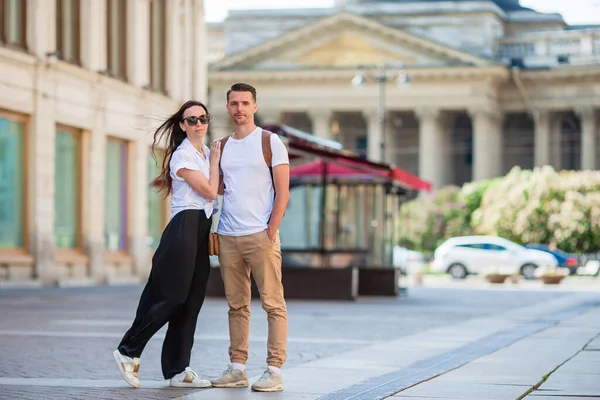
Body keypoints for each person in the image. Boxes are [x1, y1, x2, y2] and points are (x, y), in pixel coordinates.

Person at [113, 100, 220, 389]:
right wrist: (215, 162)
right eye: (192, 119)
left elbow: (220, 187)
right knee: (171, 297)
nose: (199, 123)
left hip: (200, 230)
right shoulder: (183, 156)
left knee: (192, 301)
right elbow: (211, 189)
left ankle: (177, 369)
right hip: (183, 228)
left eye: (202, 118)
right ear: (183, 125)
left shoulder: (206, 153)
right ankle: (128, 350)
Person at [210, 83, 290, 392]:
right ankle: (237, 368)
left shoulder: (270, 142)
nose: (239, 108)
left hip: (260, 235)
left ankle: (273, 369)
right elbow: (216, 189)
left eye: (245, 103)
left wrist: (270, 229)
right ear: (228, 107)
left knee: (273, 303)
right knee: (236, 305)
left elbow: (282, 193)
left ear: (254, 106)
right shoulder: (222, 145)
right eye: (234, 103)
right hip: (228, 235)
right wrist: (214, 158)